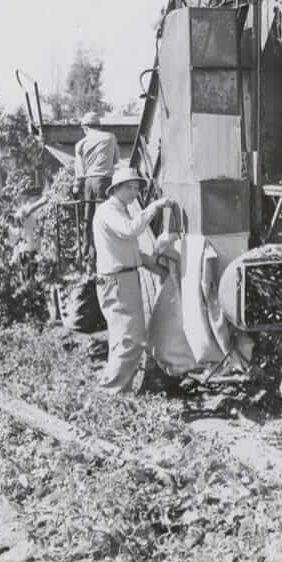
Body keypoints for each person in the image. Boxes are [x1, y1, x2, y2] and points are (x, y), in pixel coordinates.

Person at [92, 167, 174, 394]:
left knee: (124, 339)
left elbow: (134, 254)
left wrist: (160, 271)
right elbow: (130, 231)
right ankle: (111, 395)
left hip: (124, 279)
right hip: (117, 281)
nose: (133, 192)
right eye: (129, 187)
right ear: (116, 189)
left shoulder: (122, 211)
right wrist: (153, 207)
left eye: (136, 188)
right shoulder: (108, 211)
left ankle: (119, 393)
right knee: (130, 339)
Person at [73, 112, 120, 258]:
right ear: (99, 126)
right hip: (105, 180)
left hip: (88, 182)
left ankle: (86, 251)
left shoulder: (80, 144)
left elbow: (79, 172)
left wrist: (76, 187)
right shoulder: (110, 137)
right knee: (104, 217)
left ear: (85, 128)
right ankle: (104, 252)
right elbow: (116, 160)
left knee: (89, 217)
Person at [14, 187, 49, 278]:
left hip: (39, 252)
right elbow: (25, 213)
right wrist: (42, 201)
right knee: (29, 282)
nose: (38, 198)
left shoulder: (41, 210)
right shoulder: (23, 209)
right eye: (36, 196)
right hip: (27, 252)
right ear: (30, 197)